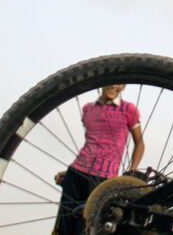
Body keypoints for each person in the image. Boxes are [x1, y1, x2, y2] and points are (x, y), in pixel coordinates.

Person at [53, 84, 146, 235]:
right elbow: (92, 144)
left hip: (103, 177)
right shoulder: (88, 109)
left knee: (88, 228)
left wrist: (132, 172)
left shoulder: (129, 110)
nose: (113, 85)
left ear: (122, 87)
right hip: (76, 172)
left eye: (119, 83)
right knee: (64, 227)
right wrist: (68, 171)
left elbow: (140, 144)